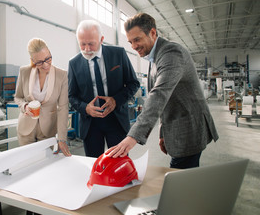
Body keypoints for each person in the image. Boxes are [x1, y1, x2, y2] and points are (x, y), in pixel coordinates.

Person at [106, 13, 219, 169]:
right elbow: (164, 101)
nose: (133, 46)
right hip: (175, 124)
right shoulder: (154, 57)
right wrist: (162, 133)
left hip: (189, 126)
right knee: (183, 177)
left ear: (152, 33)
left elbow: (159, 94)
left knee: (180, 178)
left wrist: (132, 136)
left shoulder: (171, 53)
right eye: (130, 42)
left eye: (137, 39)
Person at [68, 20, 140, 158]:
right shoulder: (73, 63)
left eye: (91, 44)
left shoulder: (118, 54)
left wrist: (115, 100)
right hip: (90, 124)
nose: (87, 49)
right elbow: (71, 96)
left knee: (120, 163)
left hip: (116, 119)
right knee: (95, 165)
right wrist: (85, 108)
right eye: (82, 44)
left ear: (101, 39)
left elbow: (133, 83)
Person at [14, 38, 71, 157]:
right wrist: (24, 106)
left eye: (48, 59)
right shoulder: (24, 71)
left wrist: (62, 138)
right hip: (25, 129)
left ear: (49, 52)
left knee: (44, 165)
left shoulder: (62, 75)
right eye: (39, 62)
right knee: (27, 164)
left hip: (47, 130)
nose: (45, 65)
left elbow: (63, 107)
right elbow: (18, 97)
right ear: (32, 60)